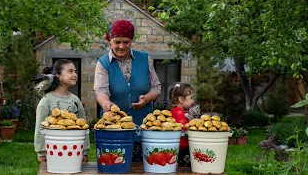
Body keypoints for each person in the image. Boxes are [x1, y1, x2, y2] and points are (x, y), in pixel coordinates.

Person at [94, 19, 161, 162]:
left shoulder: (144, 59)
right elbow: (101, 91)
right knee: (114, 166)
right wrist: (106, 104)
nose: (122, 46)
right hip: (114, 130)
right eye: (117, 42)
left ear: (131, 41)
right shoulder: (103, 63)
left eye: (126, 42)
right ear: (110, 41)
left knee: (143, 169)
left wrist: (147, 98)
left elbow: (156, 87)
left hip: (143, 128)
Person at [34, 59, 90, 163]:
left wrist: (85, 151)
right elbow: (39, 129)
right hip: (54, 151)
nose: (75, 74)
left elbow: (84, 128)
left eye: (75, 71)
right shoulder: (46, 101)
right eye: (70, 71)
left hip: (74, 150)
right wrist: (41, 152)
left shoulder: (75, 100)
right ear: (58, 76)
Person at [169, 83, 195, 166]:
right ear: (181, 100)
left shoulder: (176, 111)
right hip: (182, 147)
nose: (193, 101)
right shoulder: (179, 112)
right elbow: (184, 127)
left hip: (178, 146)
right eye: (191, 98)